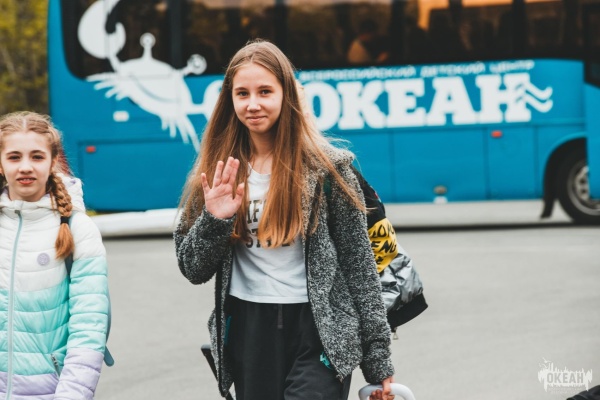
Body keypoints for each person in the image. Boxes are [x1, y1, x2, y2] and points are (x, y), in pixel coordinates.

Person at [174, 39, 395, 400]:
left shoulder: (327, 170)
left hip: (321, 328)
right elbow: (193, 268)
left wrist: (378, 360)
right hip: (249, 328)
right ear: (229, 99)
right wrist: (214, 219)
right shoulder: (217, 171)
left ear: (286, 95)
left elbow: (359, 266)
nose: (253, 104)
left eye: (265, 91)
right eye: (242, 93)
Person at [0, 111, 109, 399]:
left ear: (52, 162)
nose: (25, 167)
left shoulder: (78, 228)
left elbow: (89, 328)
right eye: (14, 157)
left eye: (37, 157)